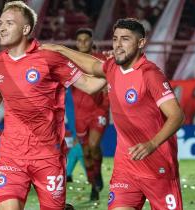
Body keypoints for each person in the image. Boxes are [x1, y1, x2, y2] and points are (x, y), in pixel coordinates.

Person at [0, 1, 106, 210]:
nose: (2, 28)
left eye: (9, 23)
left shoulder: (49, 59)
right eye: (0, 23)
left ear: (25, 29)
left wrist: (114, 70)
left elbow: (89, 85)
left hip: (47, 155)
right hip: (12, 155)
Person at [41, 18, 185, 210]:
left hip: (157, 167)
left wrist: (152, 144)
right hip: (126, 167)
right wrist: (60, 50)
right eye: (115, 38)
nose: (118, 44)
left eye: (125, 39)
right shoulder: (112, 67)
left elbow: (177, 116)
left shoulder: (150, 75)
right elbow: (92, 67)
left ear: (141, 42)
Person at [70, 28, 109, 201]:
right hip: (79, 115)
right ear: (76, 43)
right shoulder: (70, 61)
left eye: (86, 40)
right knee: (85, 152)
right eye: (80, 40)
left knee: (93, 145)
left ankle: (98, 174)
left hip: (99, 109)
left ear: (91, 41)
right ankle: (93, 185)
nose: (83, 43)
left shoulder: (102, 59)